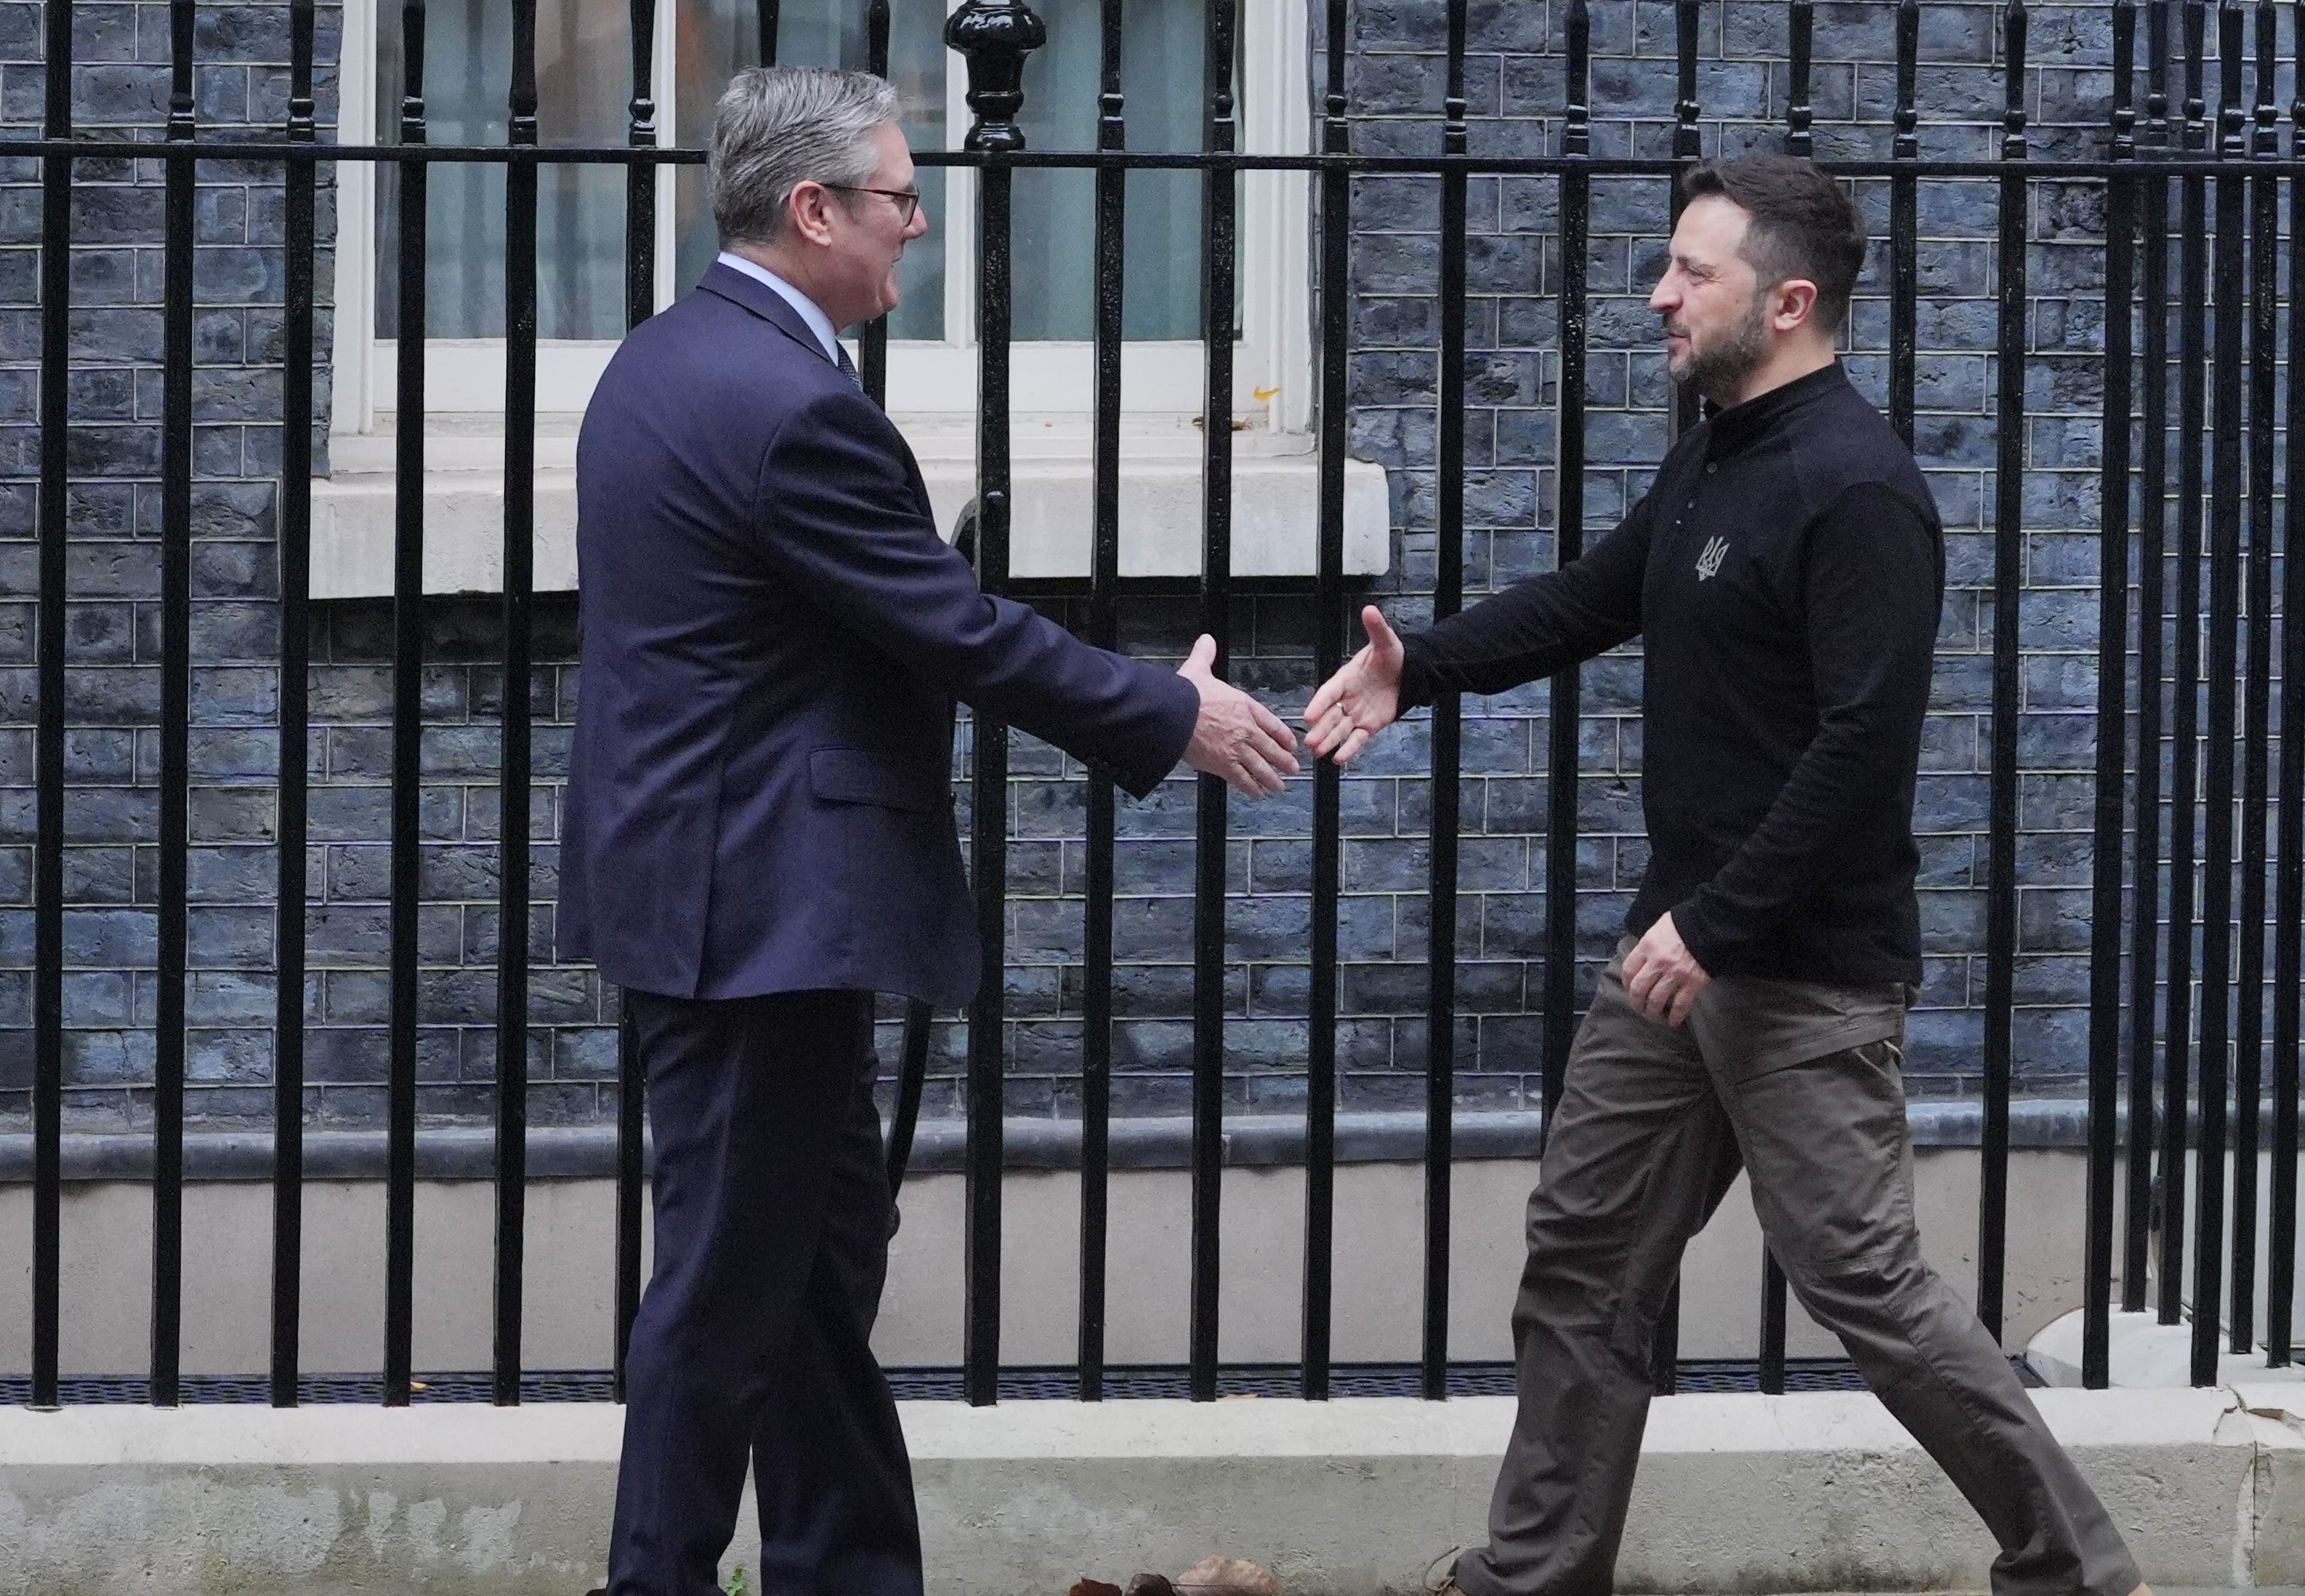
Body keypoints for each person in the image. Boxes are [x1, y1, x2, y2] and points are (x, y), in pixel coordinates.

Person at [1303, 155, 2150, 1596]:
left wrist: (1718, 919)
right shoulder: (1715, 452)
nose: (1661, 295)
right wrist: (1417, 668)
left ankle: (2079, 1567)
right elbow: (1593, 596)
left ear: (1791, 298)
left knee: (1860, 1282)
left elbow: (1863, 745)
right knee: (1582, 1254)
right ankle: (1534, 1575)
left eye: (1693, 272)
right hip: (1675, 964)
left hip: (1799, 973)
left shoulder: (1858, 487)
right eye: (1669, 266)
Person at [557, 65, 1299, 1596]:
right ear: (813, 208)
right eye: (899, 198)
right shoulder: (789, 407)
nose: (919, 227)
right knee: (721, 1287)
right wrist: (1172, 714)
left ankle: (844, 1571)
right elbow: (950, 627)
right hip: (759, 910)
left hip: (714, 893)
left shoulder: (663, 361)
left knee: (810, 1272)